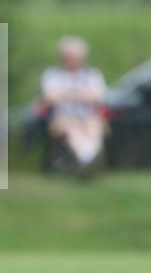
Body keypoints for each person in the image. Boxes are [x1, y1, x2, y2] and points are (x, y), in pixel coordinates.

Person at [40, 36, 107, 172]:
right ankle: (86, 158)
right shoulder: (52, 75)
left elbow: (99, 97)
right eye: (69, 56)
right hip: (63, 117)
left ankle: (88, 157)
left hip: (88, 116)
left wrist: (66, 94)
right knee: (72, 129)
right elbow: (50, 98)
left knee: (94, 127)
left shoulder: (92, 74)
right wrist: (81, 94)